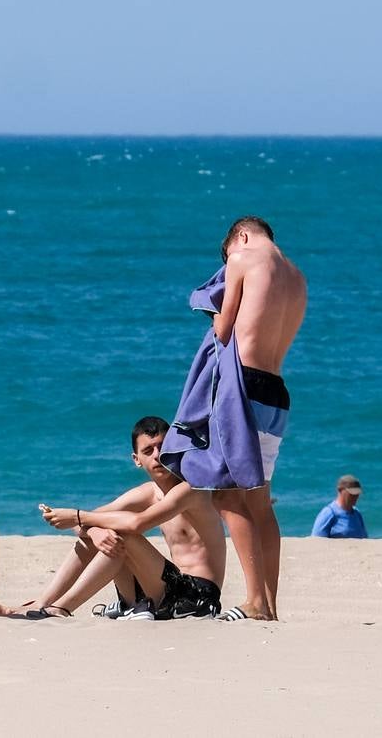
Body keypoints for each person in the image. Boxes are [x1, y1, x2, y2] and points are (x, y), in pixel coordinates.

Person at [163, 216, 305, 622]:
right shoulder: (297, 277)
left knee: (227, 494)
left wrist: (214, 310)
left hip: (242, 390)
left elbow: (225, 330)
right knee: (259, 502)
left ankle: (255, 601)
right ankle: (269, 604)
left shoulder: (244, 255)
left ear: (240, 237)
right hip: (275, 391)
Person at [14, 416, 226, 620]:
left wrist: (78, 516)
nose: (157, 455)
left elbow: (137, 523)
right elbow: (80, 527)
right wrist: (95, 531)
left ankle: (62, 608)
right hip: (164, 590)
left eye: (163, 447)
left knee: (121, 534)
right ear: (137, 460)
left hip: (198, 597)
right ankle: (42, 603)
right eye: (148, 450)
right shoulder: (149, 492)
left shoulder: (190, 488)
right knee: (105, 532)